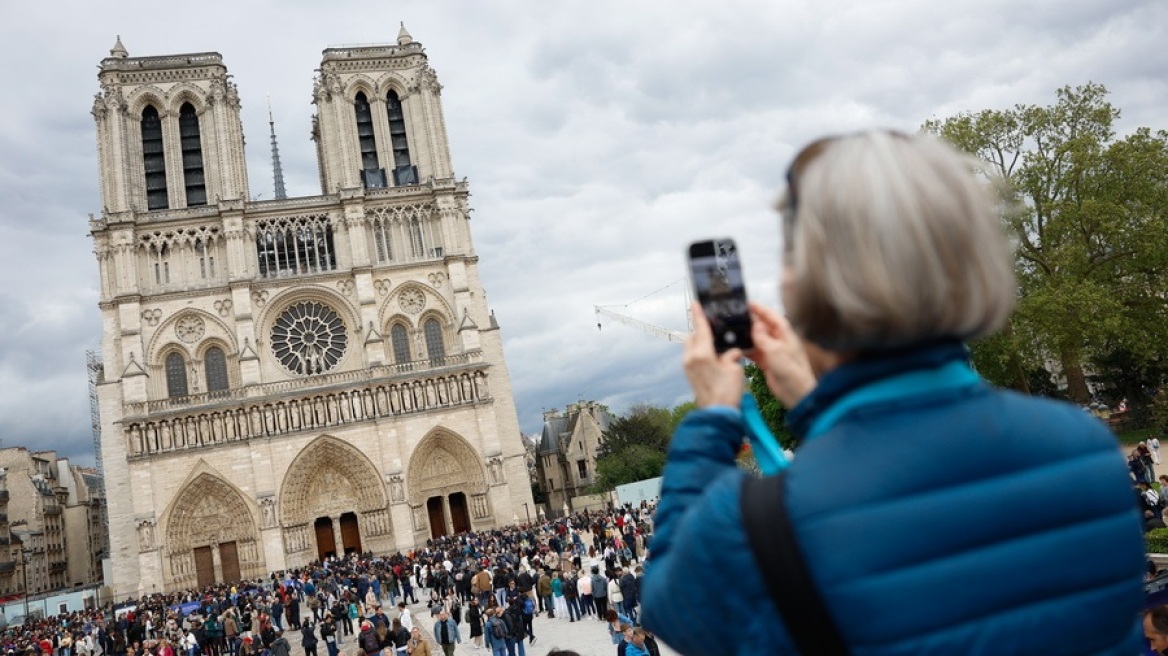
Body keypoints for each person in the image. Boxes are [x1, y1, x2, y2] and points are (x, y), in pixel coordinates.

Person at [640, 130, 1145, 655]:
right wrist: (812, 403)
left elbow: (671, 602)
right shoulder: (1082, 446)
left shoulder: (763, 522)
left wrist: (713, 416)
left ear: (800, 285)